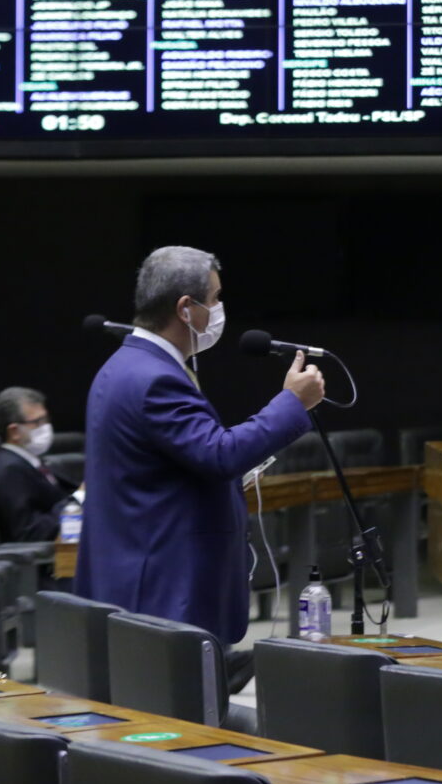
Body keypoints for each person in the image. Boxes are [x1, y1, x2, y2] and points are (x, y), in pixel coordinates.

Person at [76, 245, 324, 647]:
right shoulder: (155, 378)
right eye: (216, 298)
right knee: (179, 709)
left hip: (141, 574)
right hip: (162, 590)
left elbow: (171, 464)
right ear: (186, 309)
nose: (221, 308)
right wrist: (292, 403)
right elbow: (219, 454)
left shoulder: (125, 365)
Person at [0, 385, 74, 542]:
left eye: (46, 419)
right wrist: (76, 502)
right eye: (38, 422)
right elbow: (29, 532)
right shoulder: (9, 470)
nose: (46, 427)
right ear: (14, 432)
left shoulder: (33, 461)